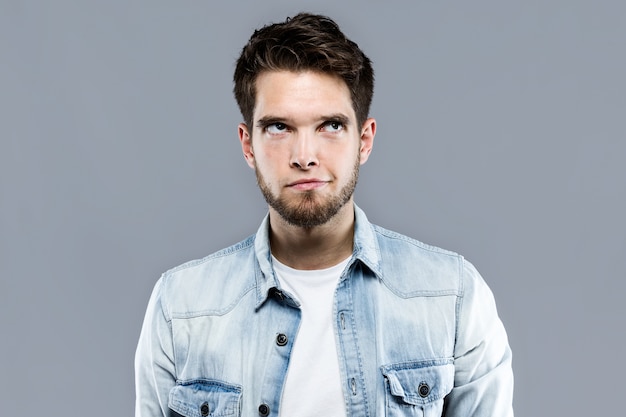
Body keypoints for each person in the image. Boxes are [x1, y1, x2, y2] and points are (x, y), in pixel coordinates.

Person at [135, 12, 514, 417]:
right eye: (279, 127)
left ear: (364, 141)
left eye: (331, 125)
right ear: (248, 146)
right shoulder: (181, 308)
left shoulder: (452, 296)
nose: (304, 157)